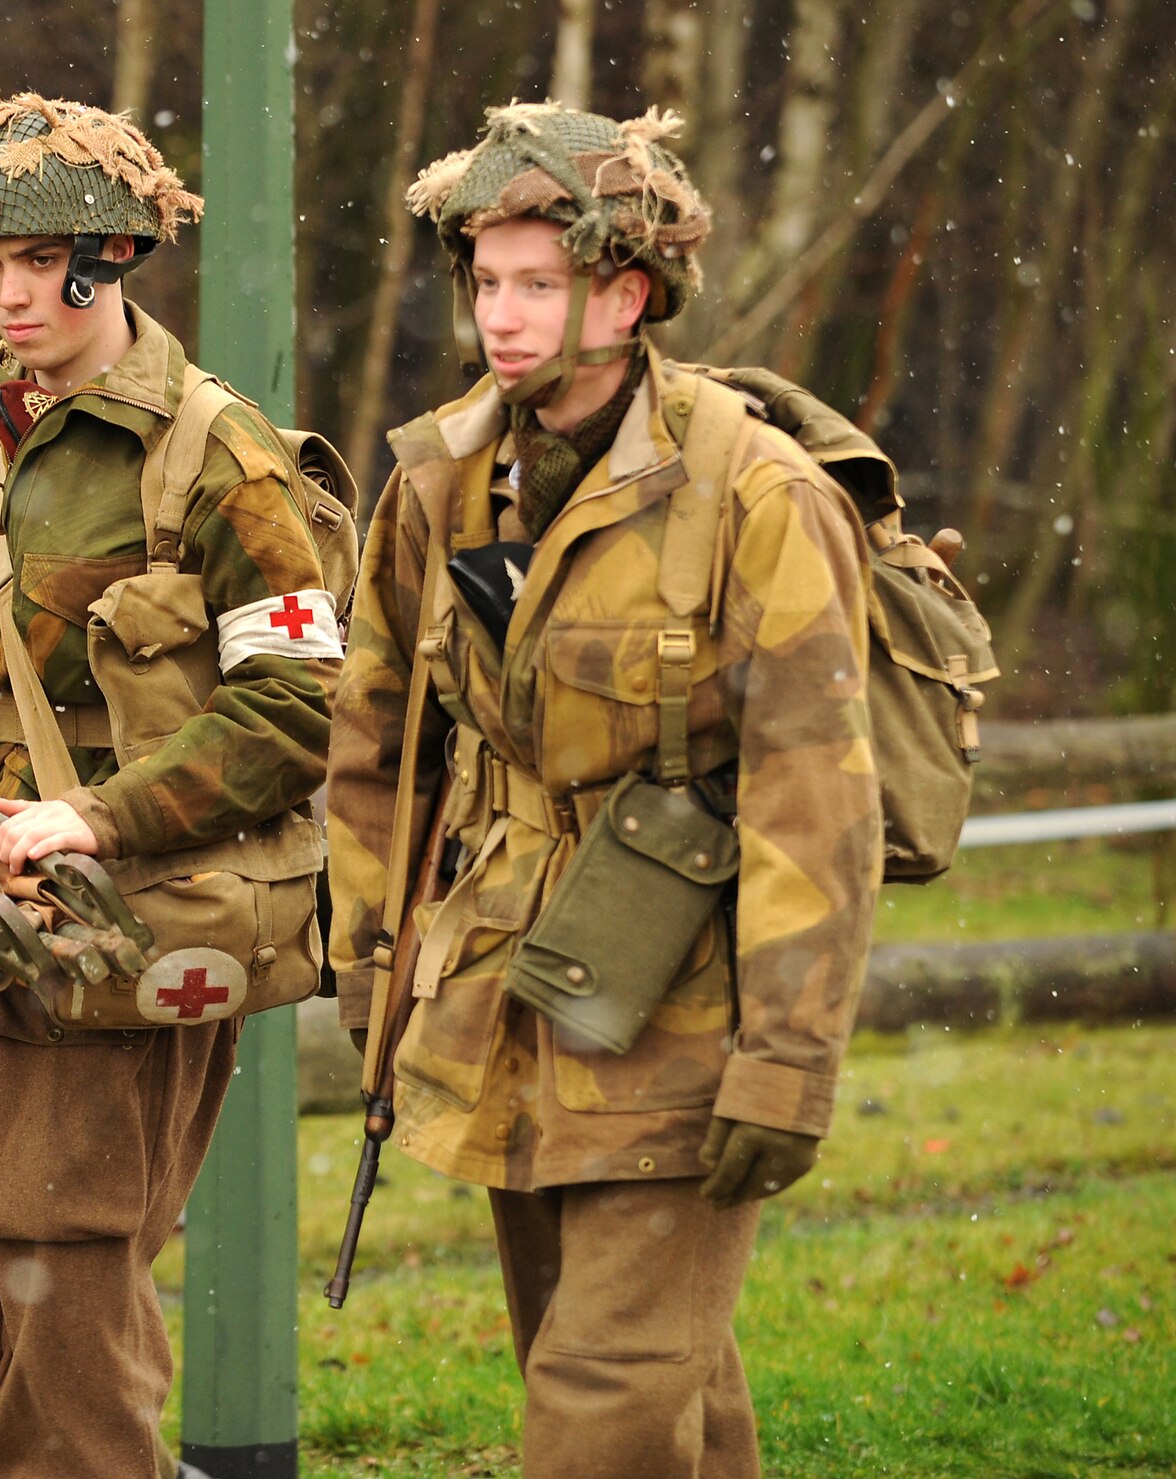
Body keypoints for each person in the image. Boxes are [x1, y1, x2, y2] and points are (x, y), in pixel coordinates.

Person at [0, 95, 341, 1479]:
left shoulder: (219, 454)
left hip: (135, 916)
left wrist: (99, 812)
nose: (7, 296)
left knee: (63, 1268)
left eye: (39, 266)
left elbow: (303, 703)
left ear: (112, 261)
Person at [325, 103, 881, 1478]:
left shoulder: (755, 494)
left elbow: (817, 799)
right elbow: (378, 737)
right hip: (510, 989)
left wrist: (789, 1064)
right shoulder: (444, 480)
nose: (501, 318)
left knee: (600, 1401)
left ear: (626, 296)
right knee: (632, 1378)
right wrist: (370, 957)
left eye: (540, 285)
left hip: (689, 1006)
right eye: (485, 282)